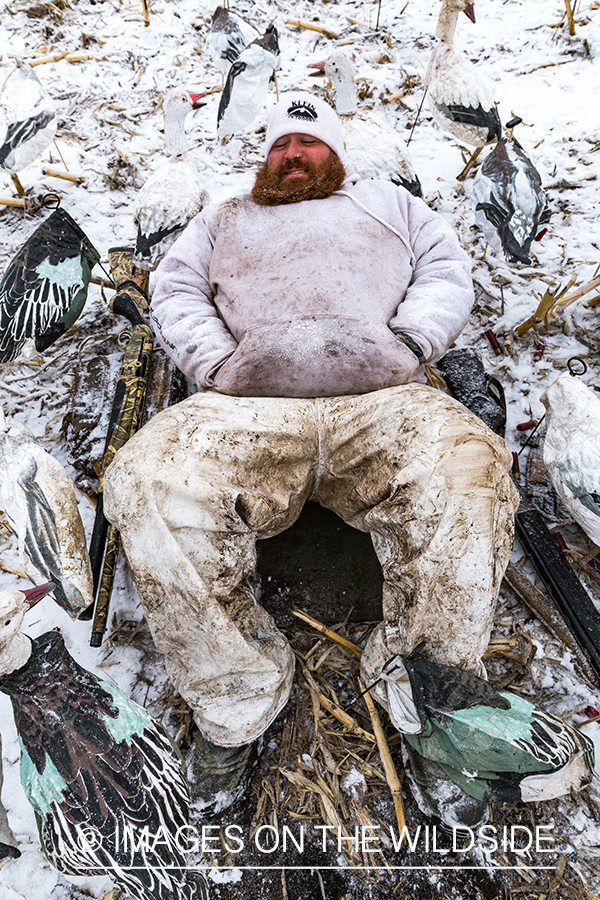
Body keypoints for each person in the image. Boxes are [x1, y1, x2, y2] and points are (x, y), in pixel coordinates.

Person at [103, 94, 593, 828]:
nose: (292, 154)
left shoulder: (391, 206)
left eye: (309, 142)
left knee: (468, 469)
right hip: (245, 408)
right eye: (280, 145)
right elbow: (172, 291)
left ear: (337, 154)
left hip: (383, 401)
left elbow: (446, 270)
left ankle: (422, 688)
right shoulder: (225, 217)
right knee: (146, 482)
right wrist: (215, 362)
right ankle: (237, 696)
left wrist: (413, 343)